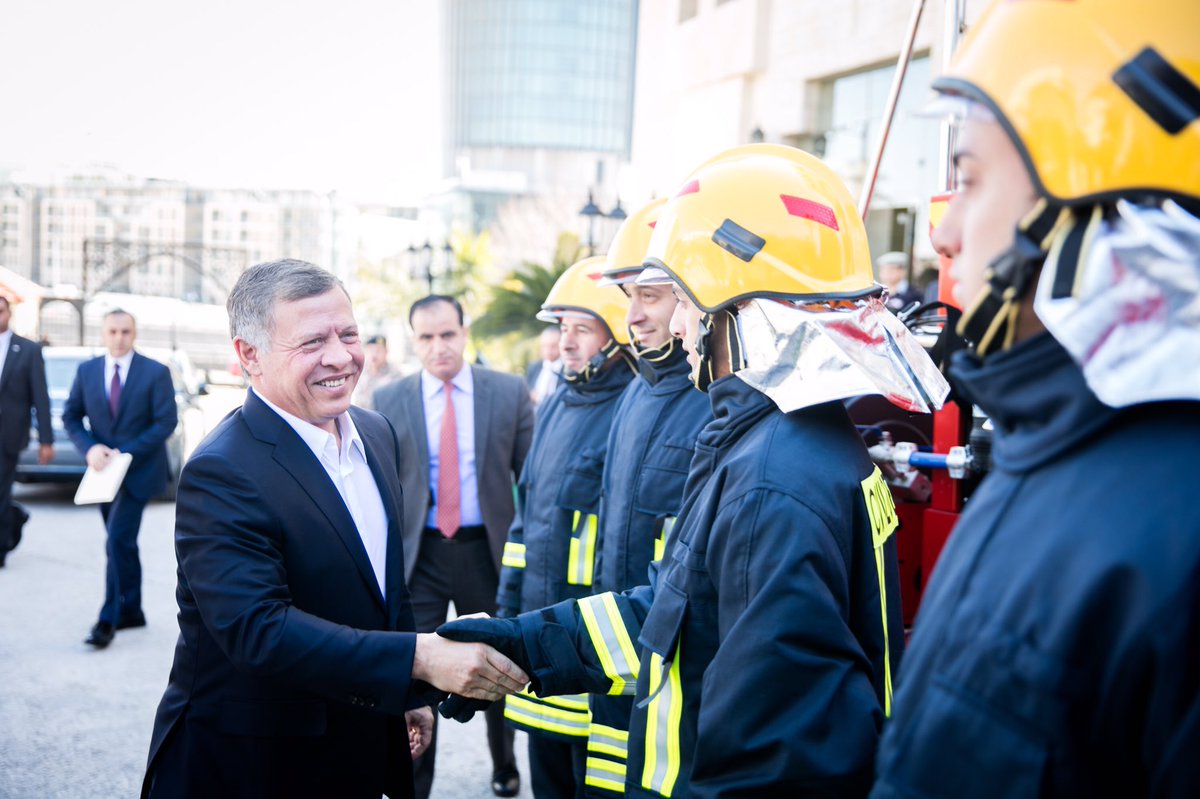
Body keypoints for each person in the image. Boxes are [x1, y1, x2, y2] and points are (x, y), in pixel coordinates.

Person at [440, 144, 947, 797]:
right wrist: (520, 643)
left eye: (683, 298)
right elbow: (677, 613)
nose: (676, 324)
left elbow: (773, 761)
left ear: (739, 305)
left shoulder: (771, 478)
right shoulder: (790, 441)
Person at [871, 1, 1200, 796]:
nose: (942, 234)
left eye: (969, 179)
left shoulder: (1173, 526)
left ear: (1098, 188)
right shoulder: (1048, 445)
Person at [142, 260, 530, 799]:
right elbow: (259, 630)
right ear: (249, 355)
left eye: (348, 334)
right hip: (255, 763)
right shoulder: (222, 470)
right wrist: (419, 659)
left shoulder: (375, 432)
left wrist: (407, 693)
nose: (341, 356)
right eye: (311, 342)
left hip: (356, 747)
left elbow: (384, 589)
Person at [373, 294, 534, 799]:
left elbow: (530, 480)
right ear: (413, 341)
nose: (438, 346)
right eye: (426, 337)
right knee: (415, 669)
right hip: (419, 555)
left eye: (447, 334)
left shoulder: (507, 392)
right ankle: (415, 783)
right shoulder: (388, 398)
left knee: (498, 662)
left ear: (465, 333)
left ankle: (504, 762)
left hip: (485, 552)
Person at [581, 197, 711, 797]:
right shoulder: (636, 392)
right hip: (622, 652)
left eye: (651, 296)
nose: (632, 315)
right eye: (628, 296)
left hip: (676, 671)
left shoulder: (715, 400)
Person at [496, 256, 635, 798]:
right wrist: (509, 609)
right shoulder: (555, 403)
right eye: (563, 327)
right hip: (541, 625)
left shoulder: (631, 407)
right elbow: (526, 516)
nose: (566, 342)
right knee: (547, 777)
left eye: (583, 329)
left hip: (589, 636)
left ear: (616, 334)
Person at [63, 308, 177, 648]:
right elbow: (71, 416)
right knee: (123, 543)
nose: (119, 338)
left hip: (139, 471)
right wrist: (90, 448)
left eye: (125, 331)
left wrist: (124, 452)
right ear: (103, 334)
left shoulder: (155, 372)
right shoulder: (87, 371)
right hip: (102, 476)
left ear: (134, 333)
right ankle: (133, 610)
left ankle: (107, 619)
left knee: (115, 541)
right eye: (112, 331)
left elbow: (166, 421)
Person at [0, 295, 53, 568]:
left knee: (1, 492)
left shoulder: (28, 350)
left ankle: (1, 547)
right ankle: (15, 519)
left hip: (8, 436)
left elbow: (40, 397)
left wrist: (46, 440)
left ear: (9, 314)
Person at [352, 334, 399, 410]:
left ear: (386, 352)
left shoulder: (395, 375)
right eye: (371, 350)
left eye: (378, 351)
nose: (374, 355)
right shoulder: (359, 371)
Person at [526, 326, 562, 409]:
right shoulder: (534, 367)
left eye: (553, 346)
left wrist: (539, 398)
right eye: (544, 346)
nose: (548, 350)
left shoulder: (568, 370)